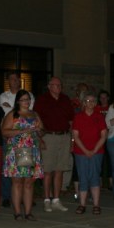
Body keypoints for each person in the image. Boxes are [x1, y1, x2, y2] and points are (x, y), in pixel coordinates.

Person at [1, 89, 44, 220]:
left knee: (29, 182)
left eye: (28, 99)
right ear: (18, 101)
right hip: (17, 150)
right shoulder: (13, 114)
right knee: (17, 181)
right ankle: (17, 212)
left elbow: (42, 132)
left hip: (31, 150)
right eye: (23, 99)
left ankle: (28, 212)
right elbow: (4, 132)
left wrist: (39, 130)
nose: (26, 102)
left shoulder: (34, 114)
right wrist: (22, 130)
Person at [34, 76, 74, 212]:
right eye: (56, 85)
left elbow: (71, 120)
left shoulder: (65, 99)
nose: (58, 87)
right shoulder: (42, 100)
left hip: (64, 136)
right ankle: (47, 199)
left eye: (60, 85)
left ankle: (56, 199)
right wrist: (40, 139)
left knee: (60, 169)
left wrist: (71, 139)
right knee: (47, 170)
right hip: (49, 136)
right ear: (49, 86)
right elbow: (36, 119)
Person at [0, 72, 32, 207]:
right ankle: (6, 196)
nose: (15, 81)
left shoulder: (28, 95)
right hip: (9, 136)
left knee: (24, 168)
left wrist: (11, 107)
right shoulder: (3, 96)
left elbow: (27, 113)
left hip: (25, 139)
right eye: (12, 79)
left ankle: (22, 196)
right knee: (9, 167)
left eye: (17, 79)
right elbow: (5, 115)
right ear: (8, 81)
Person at [70, 91, 106, 215]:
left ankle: (96, 204)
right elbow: (75, 136)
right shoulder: (78, 117)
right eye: (87, 101)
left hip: (97, 152)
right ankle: (82, 204)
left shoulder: (99, 117)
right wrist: (85, 151)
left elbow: (103, 135)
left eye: (92, 101)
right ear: (84, 103)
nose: (90, 103)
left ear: (95, 103)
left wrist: (94, 150)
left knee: (95, 177)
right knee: (83, 178)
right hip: (81, 152)